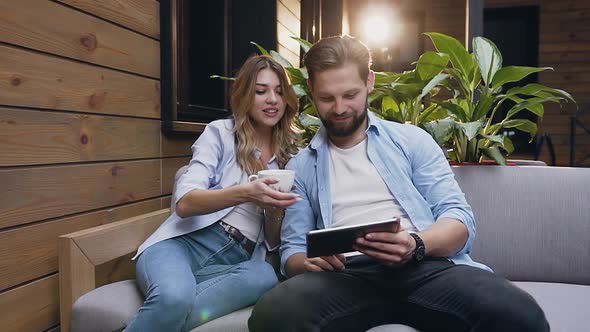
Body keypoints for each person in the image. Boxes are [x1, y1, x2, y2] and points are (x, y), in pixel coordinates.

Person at [248, 36, 548, 332]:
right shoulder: (301, 166)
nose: (339, 108)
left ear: (369, 83)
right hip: (346, 276)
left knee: (519, 314)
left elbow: (460, 220)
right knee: (273, 315)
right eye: (327, 98)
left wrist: (416, 244)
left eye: (350, 95)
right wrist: (308, 264)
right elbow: (293, 252)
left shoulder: (413, 140)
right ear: (311, 91)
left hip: (425, 267)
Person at [125, 55, 302, 332]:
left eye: (279, 91)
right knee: (173, 298)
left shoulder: (291, 157)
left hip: (239, 259)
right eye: (261, 91)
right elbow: (184, 202)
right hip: (183, 245)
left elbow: (272, 242)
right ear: (245, 96)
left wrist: (275, 210)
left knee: (265, 275)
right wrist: (245, 193)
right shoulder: (219, 134)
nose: (272, 99)